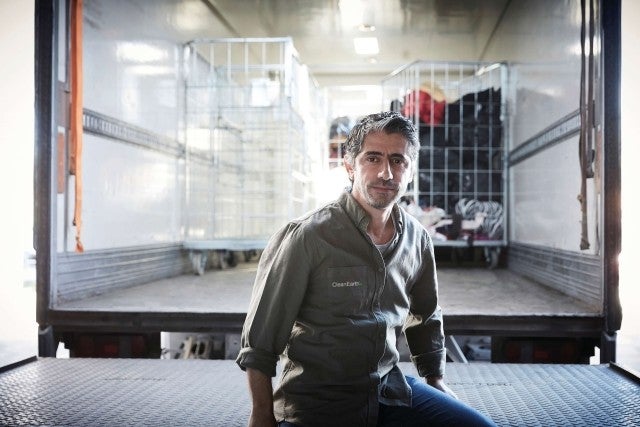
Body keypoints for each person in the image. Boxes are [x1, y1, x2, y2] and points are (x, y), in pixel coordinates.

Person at [236, 111, 496, 427]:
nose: (386, 173)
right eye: (373, 158)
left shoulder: (417, 238)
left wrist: (435, 380)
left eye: (398, 161)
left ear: (411, 171)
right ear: (350, 167)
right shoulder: (307, 237)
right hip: (317, 406)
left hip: (388, 392)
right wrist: (261, 415)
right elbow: (260, 342)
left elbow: (425, 316)